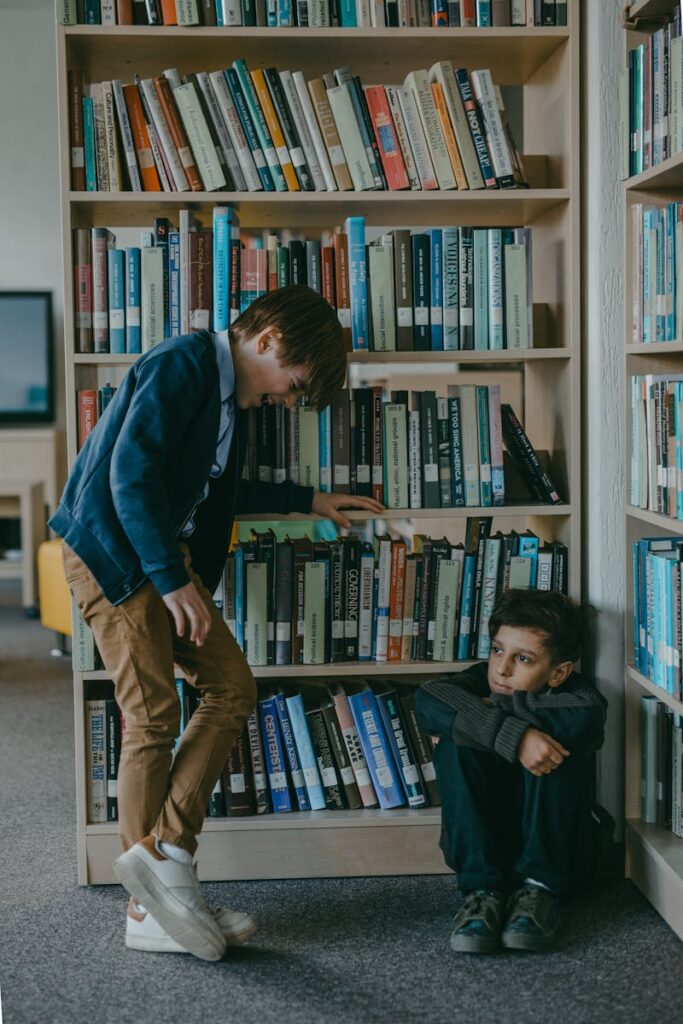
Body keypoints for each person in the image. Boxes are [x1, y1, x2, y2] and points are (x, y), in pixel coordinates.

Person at [49, 285, 383, 962]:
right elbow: (129, 476)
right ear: (265, 341)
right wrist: (171, 581)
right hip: (113, 553)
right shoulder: (185, 364)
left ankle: (166, 859)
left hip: (159, 555)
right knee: (151, 717)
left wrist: (307, 498)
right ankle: (147, 908)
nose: (287, 402)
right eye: (291, 385)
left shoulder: (230, 401)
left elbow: (215, 491)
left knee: (232, 687)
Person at [414, 588, 607, 954]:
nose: (501, 669)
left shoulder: (579, 696)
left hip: (560, 855)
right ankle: (481, 893)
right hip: (486, 852)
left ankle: (540, 890)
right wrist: (514, 737)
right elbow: (427, 700)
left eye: (523, 658)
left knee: (552, 743)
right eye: (498, 650)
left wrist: (486, 715)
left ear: (558, 672)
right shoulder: (473, 681)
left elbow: (586, 717)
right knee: (458, 742)